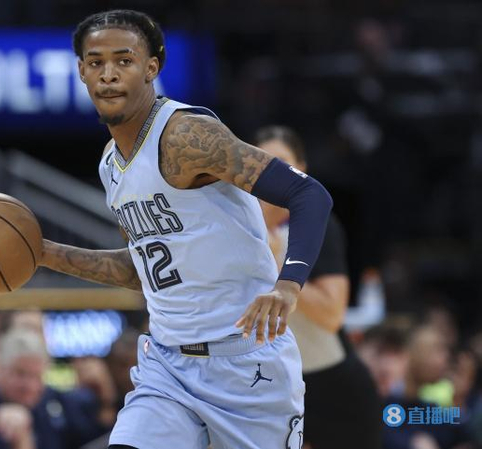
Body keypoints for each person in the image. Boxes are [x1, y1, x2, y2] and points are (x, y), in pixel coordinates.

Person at [38, 9, 333, 448]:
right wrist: (43, 254)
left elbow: (309, 194)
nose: (109, 74)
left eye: (124, 60)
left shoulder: (185, 136)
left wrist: (288, 285)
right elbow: (145, 271)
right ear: (81, 71)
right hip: (168, 368)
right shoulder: (110, 164)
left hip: (246, 366)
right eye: (96, 62)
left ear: (151, 67)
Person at [255, 125, 381, 449]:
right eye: (264, 163)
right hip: (264, 387)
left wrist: (276, 261)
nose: (273, 174)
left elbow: (332, 315)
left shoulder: (315, 225)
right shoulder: (235, 228)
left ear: (302, 169)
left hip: (330, 388)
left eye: (283, 163)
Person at [0, 329, 112, 449]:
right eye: (21, 374)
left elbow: (97, 437)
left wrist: (105, 400)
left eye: (36, 376)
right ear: (1, 371)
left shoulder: (60, 404)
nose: (30, 386)